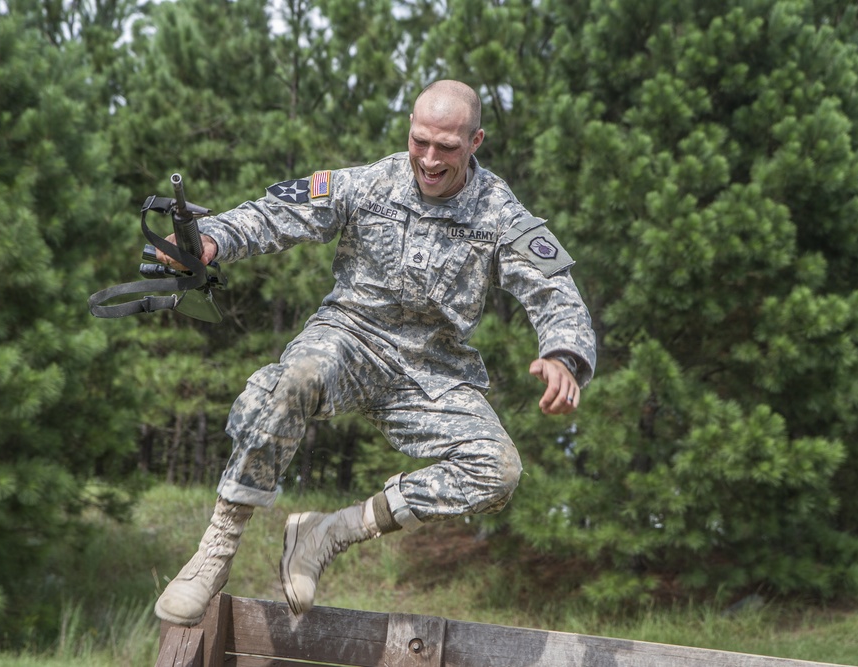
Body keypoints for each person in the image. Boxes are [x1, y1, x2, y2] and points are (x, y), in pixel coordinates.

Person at [152, 79, 597, 625]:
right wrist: (212, 239)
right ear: (409, 127)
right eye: (420, 141)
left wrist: (564, 355)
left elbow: (555, 290)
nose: (430, 160)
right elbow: (276, 213)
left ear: (476, 141)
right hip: (350, 338)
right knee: (294, 378)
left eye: (448, 148)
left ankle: (329, 532)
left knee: (497, 471)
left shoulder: (500, 214)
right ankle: (214, 553)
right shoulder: (368, 183)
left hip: (432, 371)